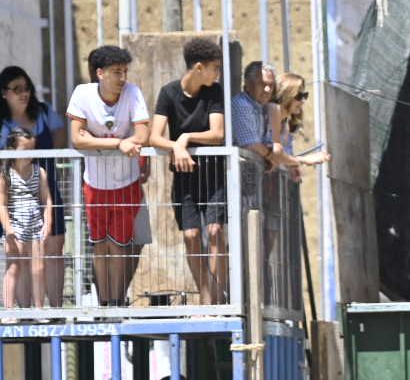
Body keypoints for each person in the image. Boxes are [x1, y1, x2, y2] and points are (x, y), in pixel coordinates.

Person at [66, 45, 149, 308]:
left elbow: (142, 134)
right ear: (100, 73)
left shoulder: (133, 93)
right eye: (116, 72)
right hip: (95, 182)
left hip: (127, 181)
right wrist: (118, 144)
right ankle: (104, 302)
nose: (122, 78)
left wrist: (108, 142)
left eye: (125, 71)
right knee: (100, 245)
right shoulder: (82, 93)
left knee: (120, 245)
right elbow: (77, 138)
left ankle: (117, 300)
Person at [152, 38, 228, 305]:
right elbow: (154, 137)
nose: (217, 73)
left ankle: (218, 300)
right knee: (191, 235)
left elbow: (217, 133)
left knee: (216, 231)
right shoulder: (168, 93)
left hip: (213, 174)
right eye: (215, 68)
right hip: (184, 177)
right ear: (198, 67)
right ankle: (206, 296)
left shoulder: (214, 92)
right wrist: (176, 146)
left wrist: (184, 139)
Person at [1, 65, 69, 308]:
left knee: (53, 246)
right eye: (16, 89)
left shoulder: (42, 111)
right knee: (19, 255)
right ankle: (23, 309)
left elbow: (60, 136)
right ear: (3, 93)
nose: (24, 93)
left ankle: (55, 308)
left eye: (26, 87)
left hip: (45, 182)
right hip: (12, 192)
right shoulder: (2, 121)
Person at [0, 128, 56, 307]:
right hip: (15, 227)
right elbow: (1, 204)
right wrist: (9, 230)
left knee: (38, 268)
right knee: (13, 267)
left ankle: (39, 309)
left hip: (35, 226)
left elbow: (47, 200)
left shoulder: (38, 172)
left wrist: (47, 224)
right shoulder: (5, 174)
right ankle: (8, 311)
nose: (29, 154)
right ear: (11, 150)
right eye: (25, 150)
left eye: (32, 149)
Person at [231, 61, 276, 210]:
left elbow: (264, 142)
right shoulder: (242, 104)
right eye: (262, 84)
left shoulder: (261, 107)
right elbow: (251, 144)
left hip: (250, 179)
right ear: (248, 84)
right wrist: (271, 156)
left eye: (271, 85)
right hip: (236, 180)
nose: (268, 89)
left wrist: (268, 154)